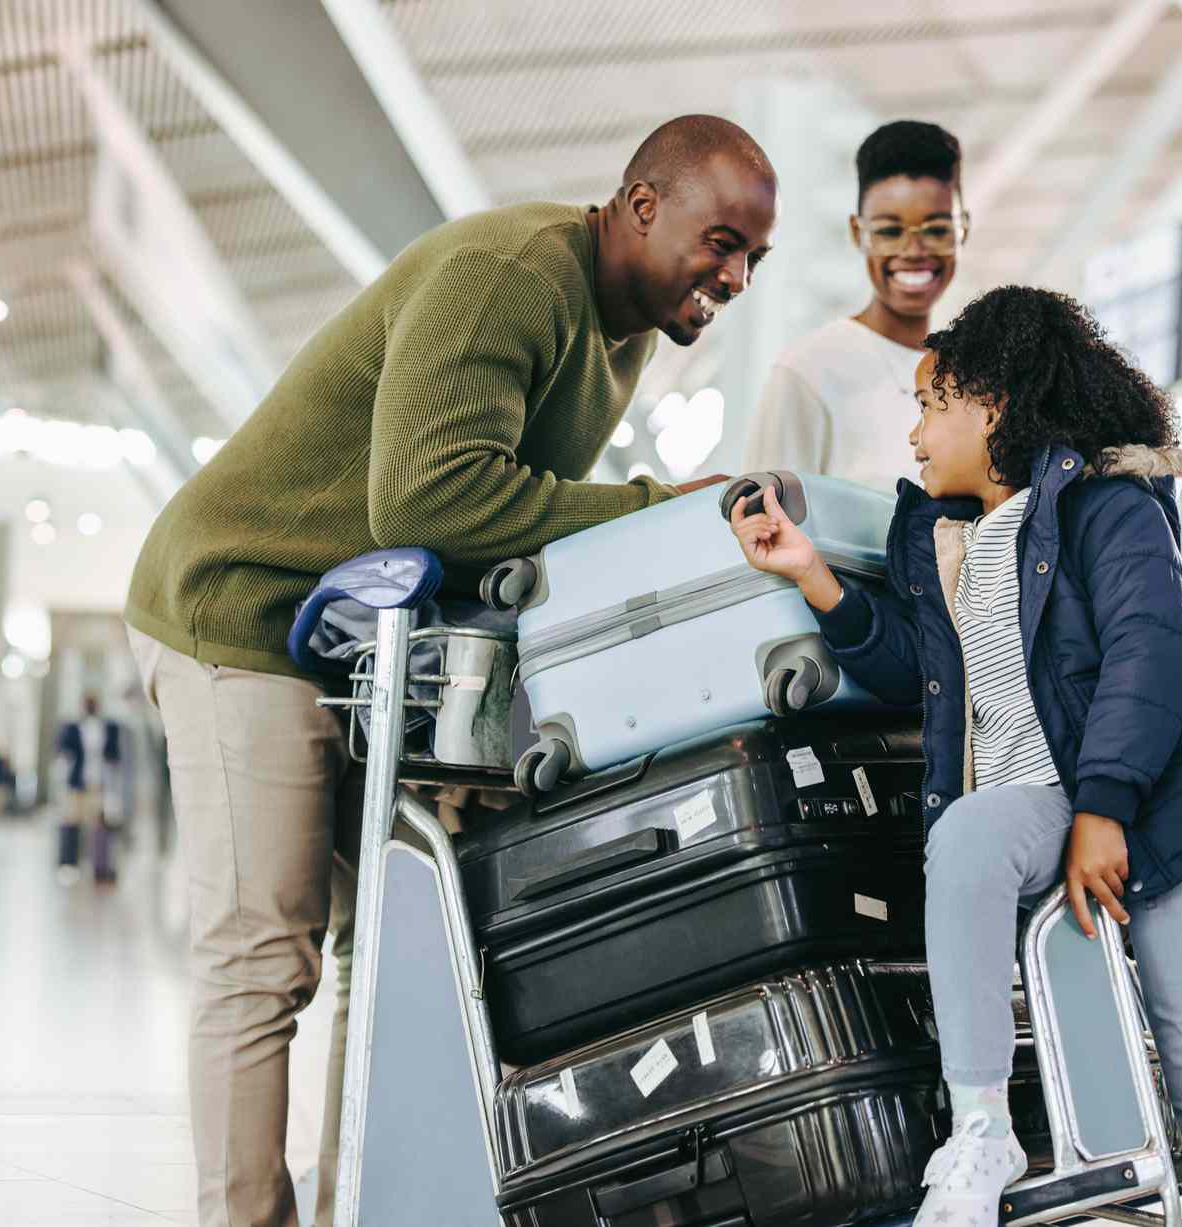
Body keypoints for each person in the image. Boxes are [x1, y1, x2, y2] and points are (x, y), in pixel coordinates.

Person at [125, 115, 779, 1227]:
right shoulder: (511, 276)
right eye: (719, 241)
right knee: (263, 952)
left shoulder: (618, 334)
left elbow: (491, 530)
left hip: (354, 641)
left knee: (376, 954)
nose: (734, 275)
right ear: (638, 205)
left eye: (752, 259)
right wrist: (655, 508)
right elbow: (430, 502)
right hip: (242, 608)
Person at [729, 286, 1182, 1227]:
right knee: (972, 833)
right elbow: (915, 668)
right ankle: (979, 1126)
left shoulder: (1110, 507)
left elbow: (1152, 650)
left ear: (990, 404)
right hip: (1042, 799)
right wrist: (810, 573)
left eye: (929, 405)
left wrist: (1104, 808)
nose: (913, 435)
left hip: (1174, 809)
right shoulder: (945, 538)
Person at [741, 120, 967, 488]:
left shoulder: (971, 376)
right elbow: (759, 528)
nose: (913, 251)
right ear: (857, 233)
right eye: (890, 231)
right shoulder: (808, 373)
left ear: (964, 230)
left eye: (937, 230)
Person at [55, 696, 122, 885]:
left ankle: (100, 868)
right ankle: (68, 865)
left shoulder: (109, 728)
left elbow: (114, 758)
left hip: (99, 784)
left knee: (100, 826)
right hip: (77, 783)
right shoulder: (72, 728)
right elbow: (63, 755)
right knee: (71, 822)